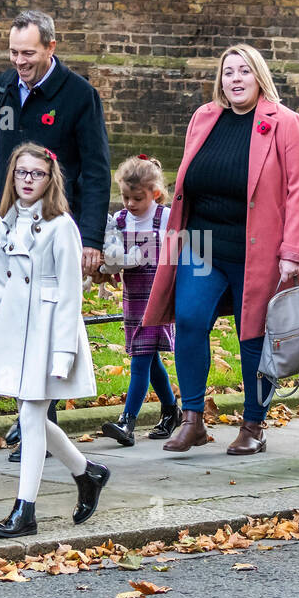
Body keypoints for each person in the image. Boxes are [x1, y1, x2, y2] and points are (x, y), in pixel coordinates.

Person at [142, 44, 299, 455]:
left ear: (259, 77)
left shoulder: (287, 124)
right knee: (188, 318)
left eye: (243, 72)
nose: (235, 79)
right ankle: (192, 419)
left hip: (259, 249)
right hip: (202, 243)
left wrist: (292, 250)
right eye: (228, 72)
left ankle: (254, 424)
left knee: (254, 333)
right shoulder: (204, 118)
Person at [0, 10, 110, 458]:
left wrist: (92, 239)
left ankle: (37, 421)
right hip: (0, 223)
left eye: (28, 53)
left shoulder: (80, 96)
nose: (19, 61)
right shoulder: (3, 87)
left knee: (41, 324)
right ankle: (32, 414)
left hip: (51, 231)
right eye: (13, 53)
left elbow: (97, 172)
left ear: (50, 48)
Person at [0, 143, 109, 538]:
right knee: (30, 414)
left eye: (37, 173)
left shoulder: (61, 225)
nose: (28, 180)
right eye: (22, 172)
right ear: (12, 176)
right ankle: (88, 473)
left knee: (33, 415)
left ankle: (25, 510)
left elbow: (70, 293)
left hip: (49, 329)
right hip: (16, 332)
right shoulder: (4, 221)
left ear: (50, 179)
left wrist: (64, 352)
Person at [98, 155, 180, 446]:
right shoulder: (119, 220)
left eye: (137, 198)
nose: (130, 203)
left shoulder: (165, 216)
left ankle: (127, 420)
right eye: (125, 197)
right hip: (133, 297)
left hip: (158, 297)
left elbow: (181, 251)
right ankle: (171, 411)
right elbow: (113, 255)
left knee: (141, 357)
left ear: (155, 193)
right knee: (148, 355)